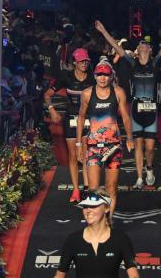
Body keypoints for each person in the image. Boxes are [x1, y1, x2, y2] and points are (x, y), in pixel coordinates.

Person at [96, 16, 161, 188]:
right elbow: (117, 47)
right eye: (140, 44)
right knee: (138, 144)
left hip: (151, 109)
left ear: (150, 50)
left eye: (146, 44)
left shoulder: (155, 63)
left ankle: (149, 169)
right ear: (137, 50)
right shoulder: (132, 63)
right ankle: (139, 177)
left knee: (150, 147)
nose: (142, 44)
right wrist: (103, 31)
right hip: (136, 108)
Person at [77, 59, 134, 220]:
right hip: (93, 147)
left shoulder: (118, 92)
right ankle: (96, 220)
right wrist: (79, 144)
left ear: (111, 76)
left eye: (106, 75)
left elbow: (126, 117)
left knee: (111, 188)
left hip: (113, 146)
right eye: (100, 75)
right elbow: (81, 117)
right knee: (93, 188)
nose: (103, 78)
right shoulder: (87, 93)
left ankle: (108, 221)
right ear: (95, 76)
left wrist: (130, 137)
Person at [44, 48, 95, 203]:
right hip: (71, 119)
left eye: (86, 61)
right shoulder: (66, 77)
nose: (84, 64)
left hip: (87, 119)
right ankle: (76, 189)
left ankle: (87, 188)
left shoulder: (92, 78)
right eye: (81, 61)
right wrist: (52, 110)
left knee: (85, 154)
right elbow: (47, 95)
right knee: (73, 156)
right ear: (74, 62)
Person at [55, 188, 139, 278]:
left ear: (106, 208)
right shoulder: (73, 240)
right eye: (85, 206)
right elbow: (59, 275)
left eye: (93, 206)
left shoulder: (121, 239)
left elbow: (133, 275)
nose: (88, 210)